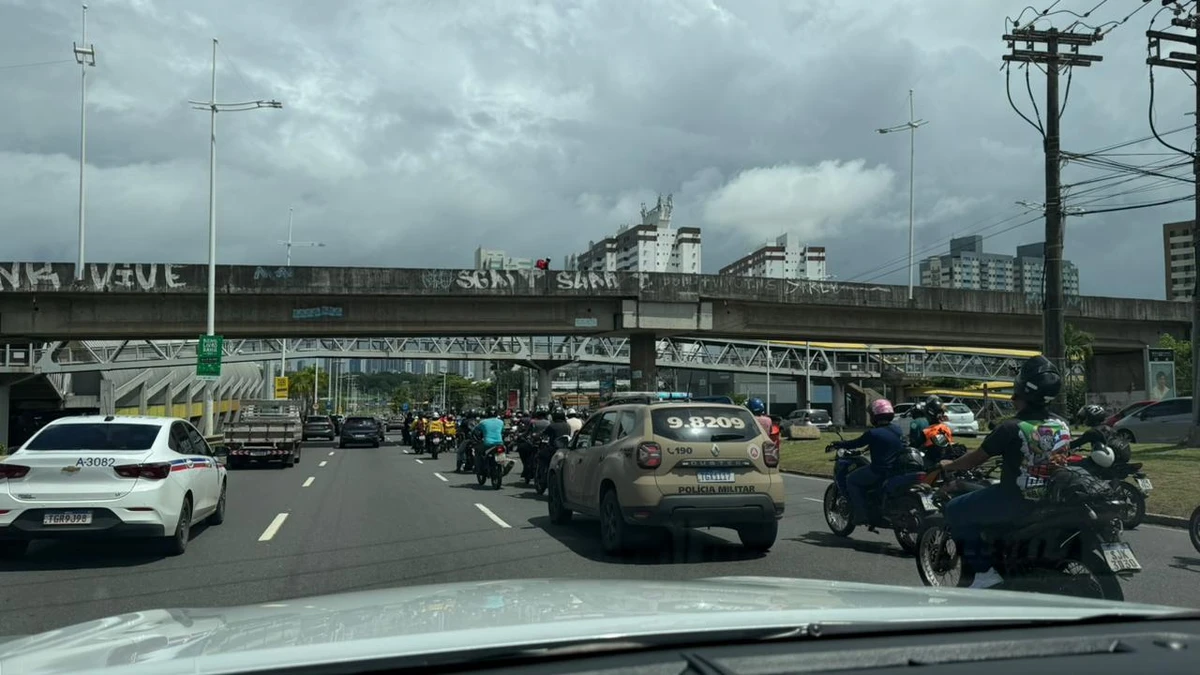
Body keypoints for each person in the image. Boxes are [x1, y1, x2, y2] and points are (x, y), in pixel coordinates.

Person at [936, 354, 1069, 589]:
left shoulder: (1010, 427)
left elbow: (973, 461)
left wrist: (949, 465)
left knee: (955, 508)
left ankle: (983, 573)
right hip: (1052, 499)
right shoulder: (1062, 424)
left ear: (1022, 392)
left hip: (1015, 499)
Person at [828, 399, 905, 526]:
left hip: (879, 470)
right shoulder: (897, 430)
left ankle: (861, 515)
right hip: (895, 470)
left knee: (851, 480)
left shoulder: (872, 433)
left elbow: (855, 443)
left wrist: (839, 444)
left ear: (875, 416)